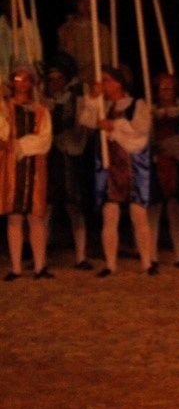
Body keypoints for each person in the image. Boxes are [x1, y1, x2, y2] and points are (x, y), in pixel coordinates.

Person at [79, 65, 155, 277]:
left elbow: (141, 128)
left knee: (138, 214)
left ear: (118, 82)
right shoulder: (103, 106)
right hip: (110, 167)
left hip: (133, 165)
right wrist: (93, 100)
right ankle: (110, 264)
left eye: (106, 80)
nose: (103, 84)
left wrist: (114, 126)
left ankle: (147, 262)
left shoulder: (136, 104)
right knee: (109, 214)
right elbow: (86, 119)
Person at [0, 67, 53, 280]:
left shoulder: (40, 111)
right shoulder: (5, 108)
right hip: (11, 167)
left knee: (35, 216)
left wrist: (20, 145)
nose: (21, 83)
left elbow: (44, 139)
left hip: (34, 167)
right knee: (14, 217)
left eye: (25, 80)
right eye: (17, 79)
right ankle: (16, 267)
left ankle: (40, 266)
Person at [44, 59, 94, 270]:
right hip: (49, 157)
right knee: (45, 207)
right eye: (51, 79)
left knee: (74, 207)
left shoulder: (75, 99)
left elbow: (83, 125)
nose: (55, 83)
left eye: (59, 79)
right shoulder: (43, 101)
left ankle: (81, 256)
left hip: (69, 157)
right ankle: (41, 257)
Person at [147, 73, 179, 268]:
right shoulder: (151, 112)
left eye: (169, 88)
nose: (166, 92)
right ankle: (152, 256)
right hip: (156, 163)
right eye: (162, 88)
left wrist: (175, 149)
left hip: (175, 163)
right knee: (154, 210)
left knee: (175, 210)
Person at [57, 0, 112, 80]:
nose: (86, 5)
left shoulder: (101, 29)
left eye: (89, 2)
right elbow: (64, 56)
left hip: (96, 73)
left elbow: (105, 55)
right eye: (82, 2)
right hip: (74, 75)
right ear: (76, 4)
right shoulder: (66, 29)